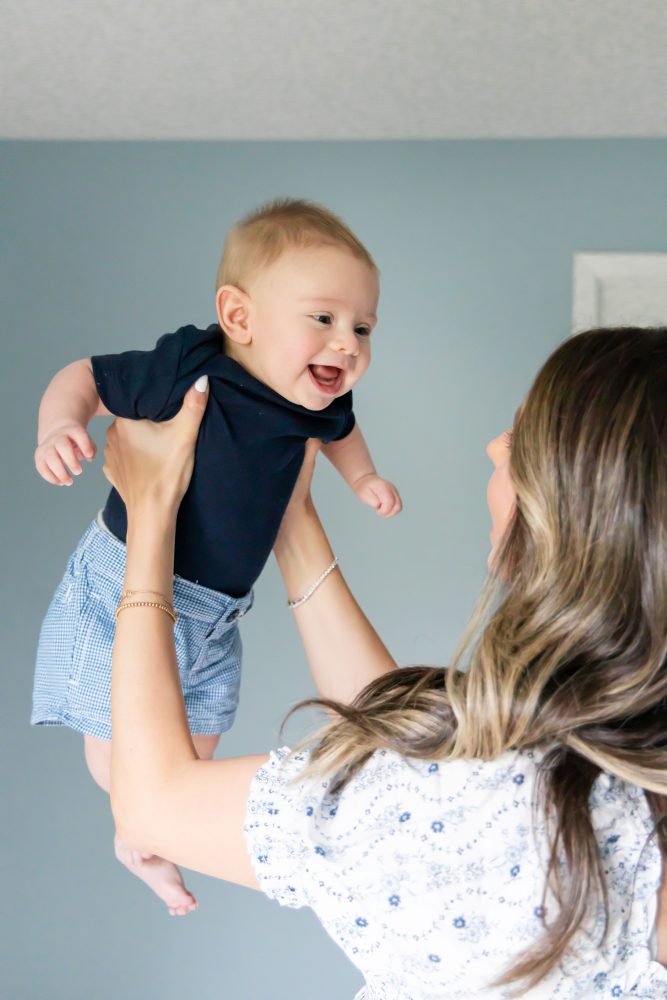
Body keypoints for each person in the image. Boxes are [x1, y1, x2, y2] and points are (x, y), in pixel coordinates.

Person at [105, 326, 666, 998]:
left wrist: (150, 513)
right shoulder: (588, 779)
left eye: (523, 441)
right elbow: (419, 759)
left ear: (577, 516)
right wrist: (293, 523)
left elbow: (152, 803)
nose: (494, 446)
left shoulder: (490, 807)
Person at [30, 198, 402, 914]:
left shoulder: (314, 406)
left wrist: (363, 479)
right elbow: (86, 373)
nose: (347, 342)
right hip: (122, 582)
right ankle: (131, 829)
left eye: (362, 326)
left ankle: (150, 841)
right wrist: (59, 426)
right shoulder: (191, 370)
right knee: (122, 756)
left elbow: (342, 434)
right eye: (323, 318)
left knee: (191, 755)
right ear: (239, 317)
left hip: (218, 611)